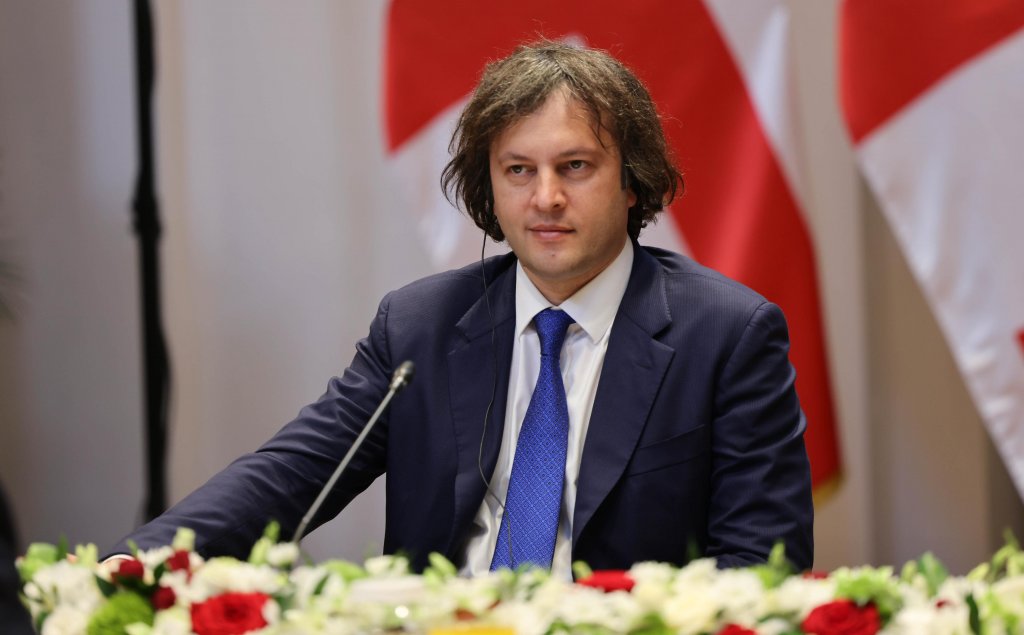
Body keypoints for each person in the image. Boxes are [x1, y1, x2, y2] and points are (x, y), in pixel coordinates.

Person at [114, 41, 813, 577]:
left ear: (631, 182)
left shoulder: (726, 335)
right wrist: (132, 566)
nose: (545, 198)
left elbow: (760, 563)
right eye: (519, 170)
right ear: (491, 189)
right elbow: (291, 476)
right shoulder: (419, 326)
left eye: (574, 167)